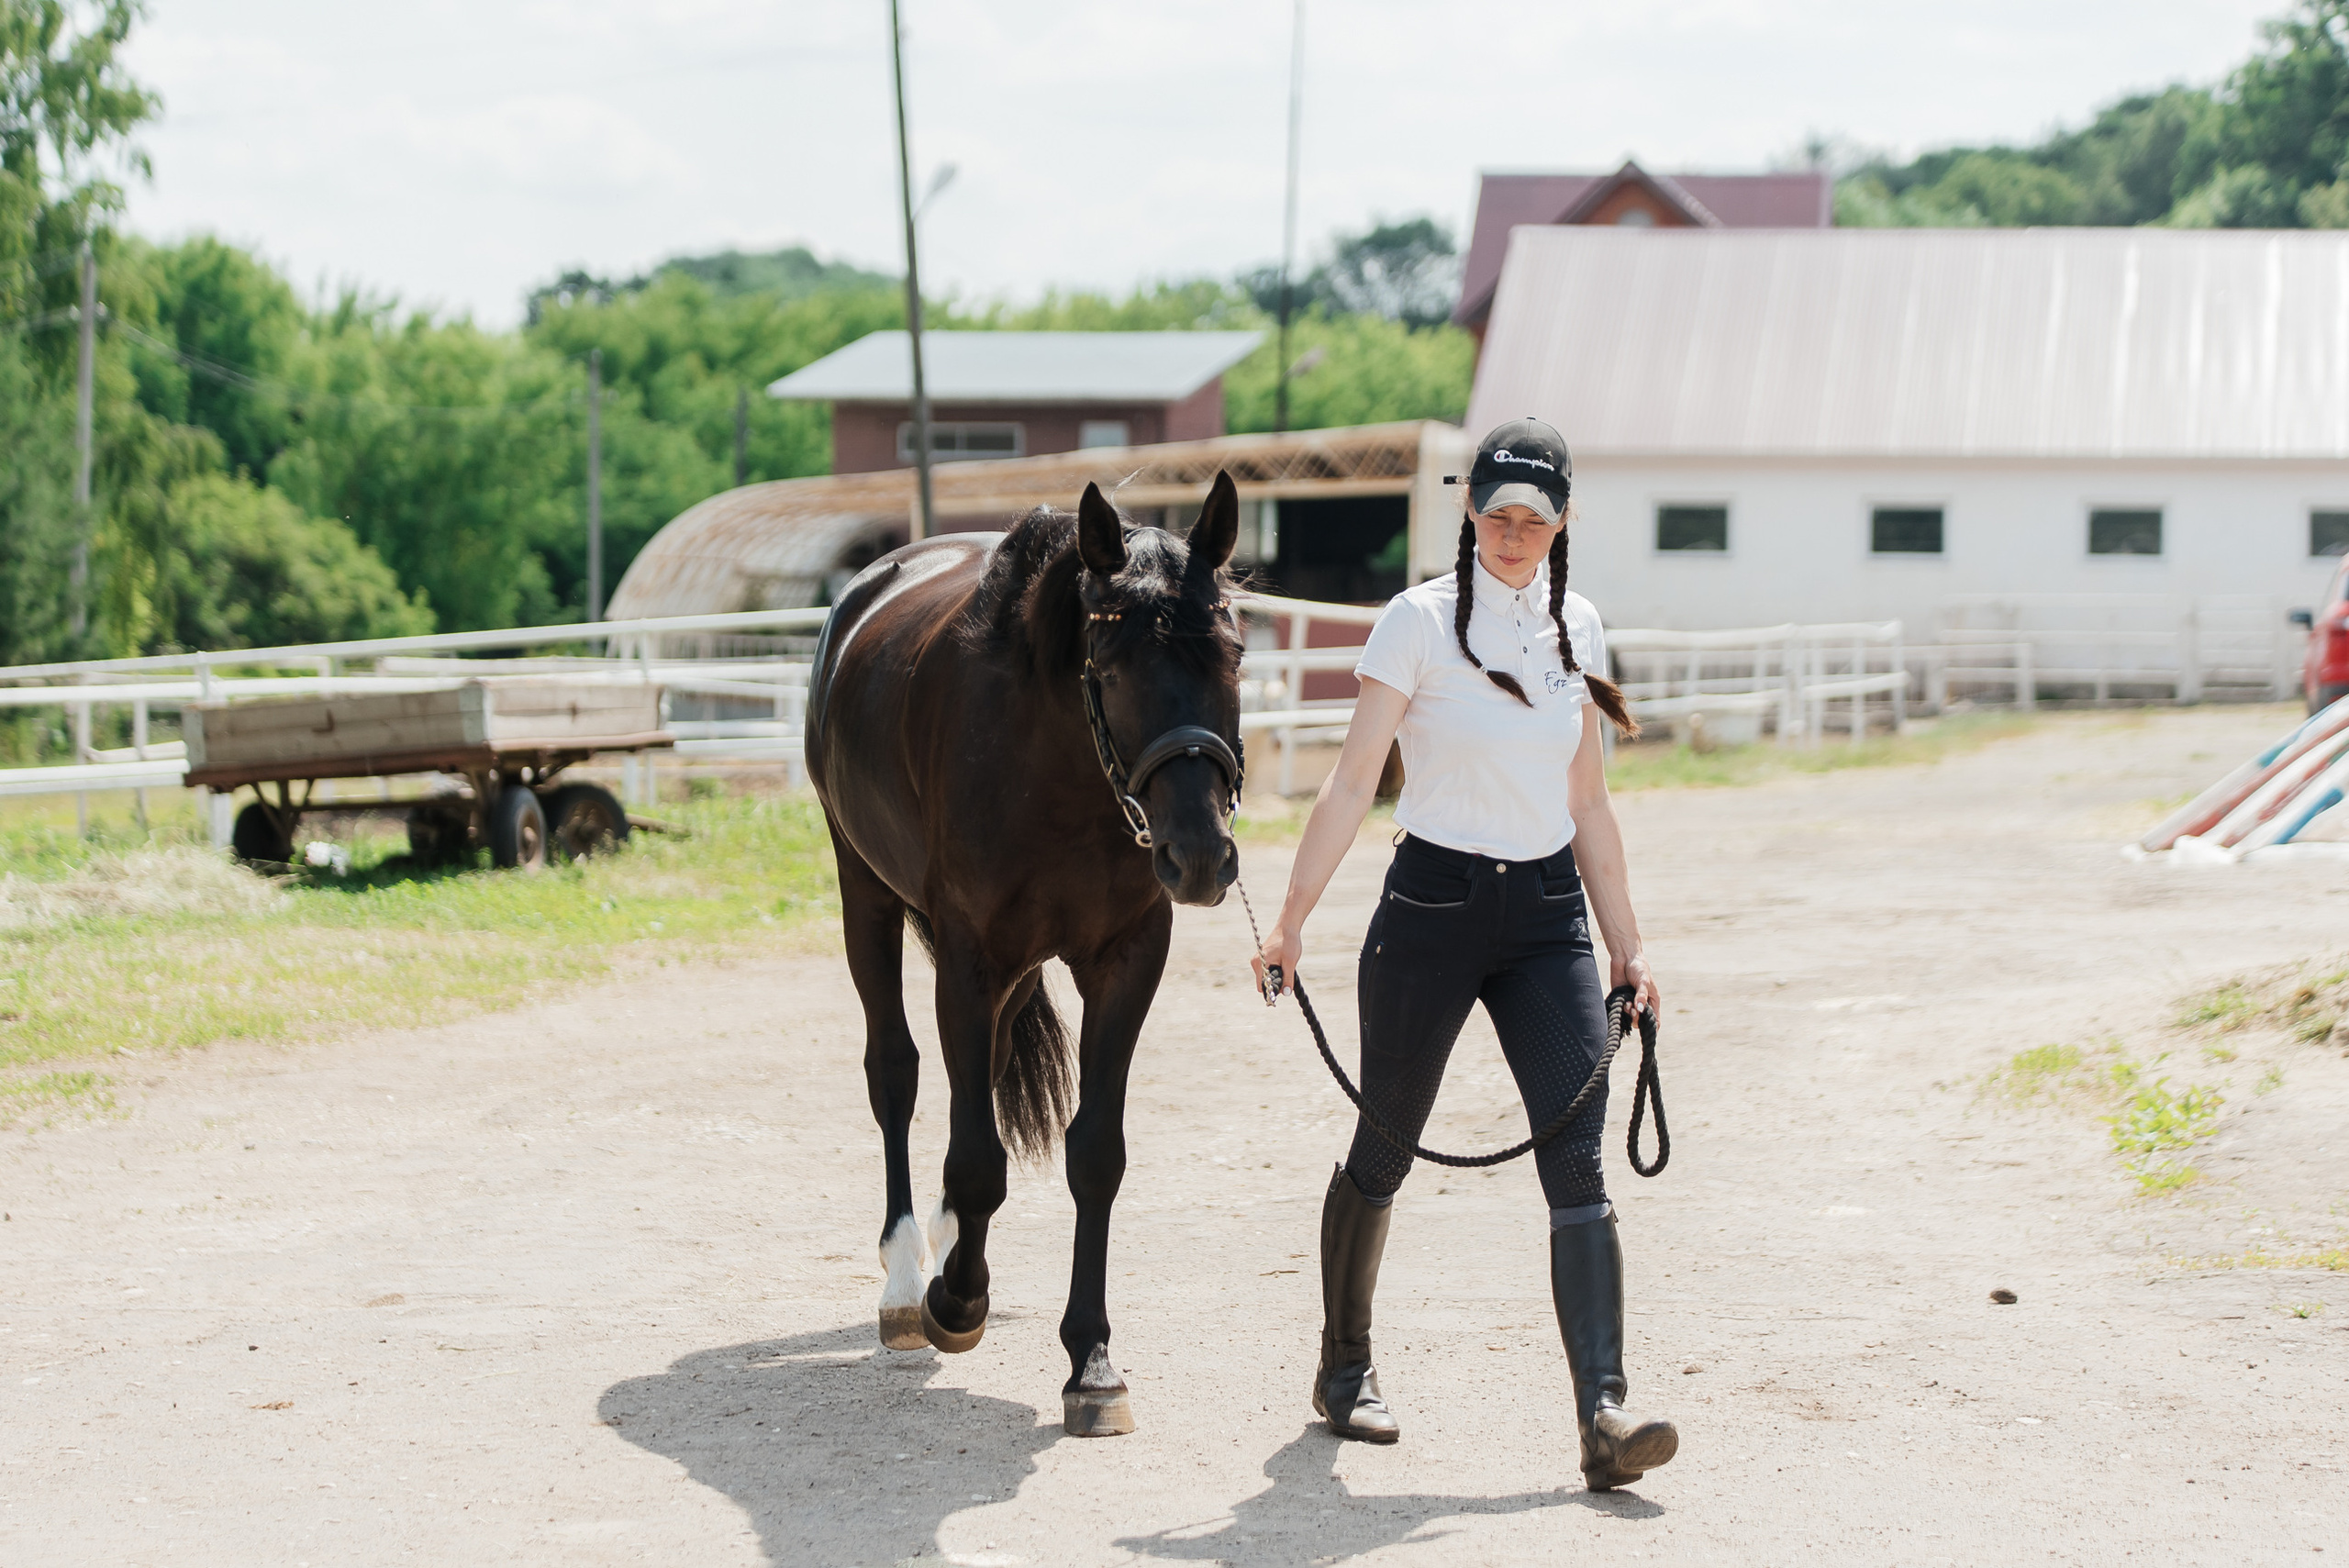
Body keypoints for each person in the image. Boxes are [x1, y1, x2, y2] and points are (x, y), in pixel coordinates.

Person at [1251, 417, 1677, 1492]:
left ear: (1562, 520)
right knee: (1385, 1145)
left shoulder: (1577, 627)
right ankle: (1343, 1365)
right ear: (1470, 512)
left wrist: (1630, 946)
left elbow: (1587, 801)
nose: (1515, 533)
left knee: (1575, 1157)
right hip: (1431, 906)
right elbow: (1353, 780)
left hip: (1544, 921)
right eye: (1498, 514)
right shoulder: (1418, 623)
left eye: (1535, 517)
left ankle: (1605, 1413)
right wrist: (1291, 916)